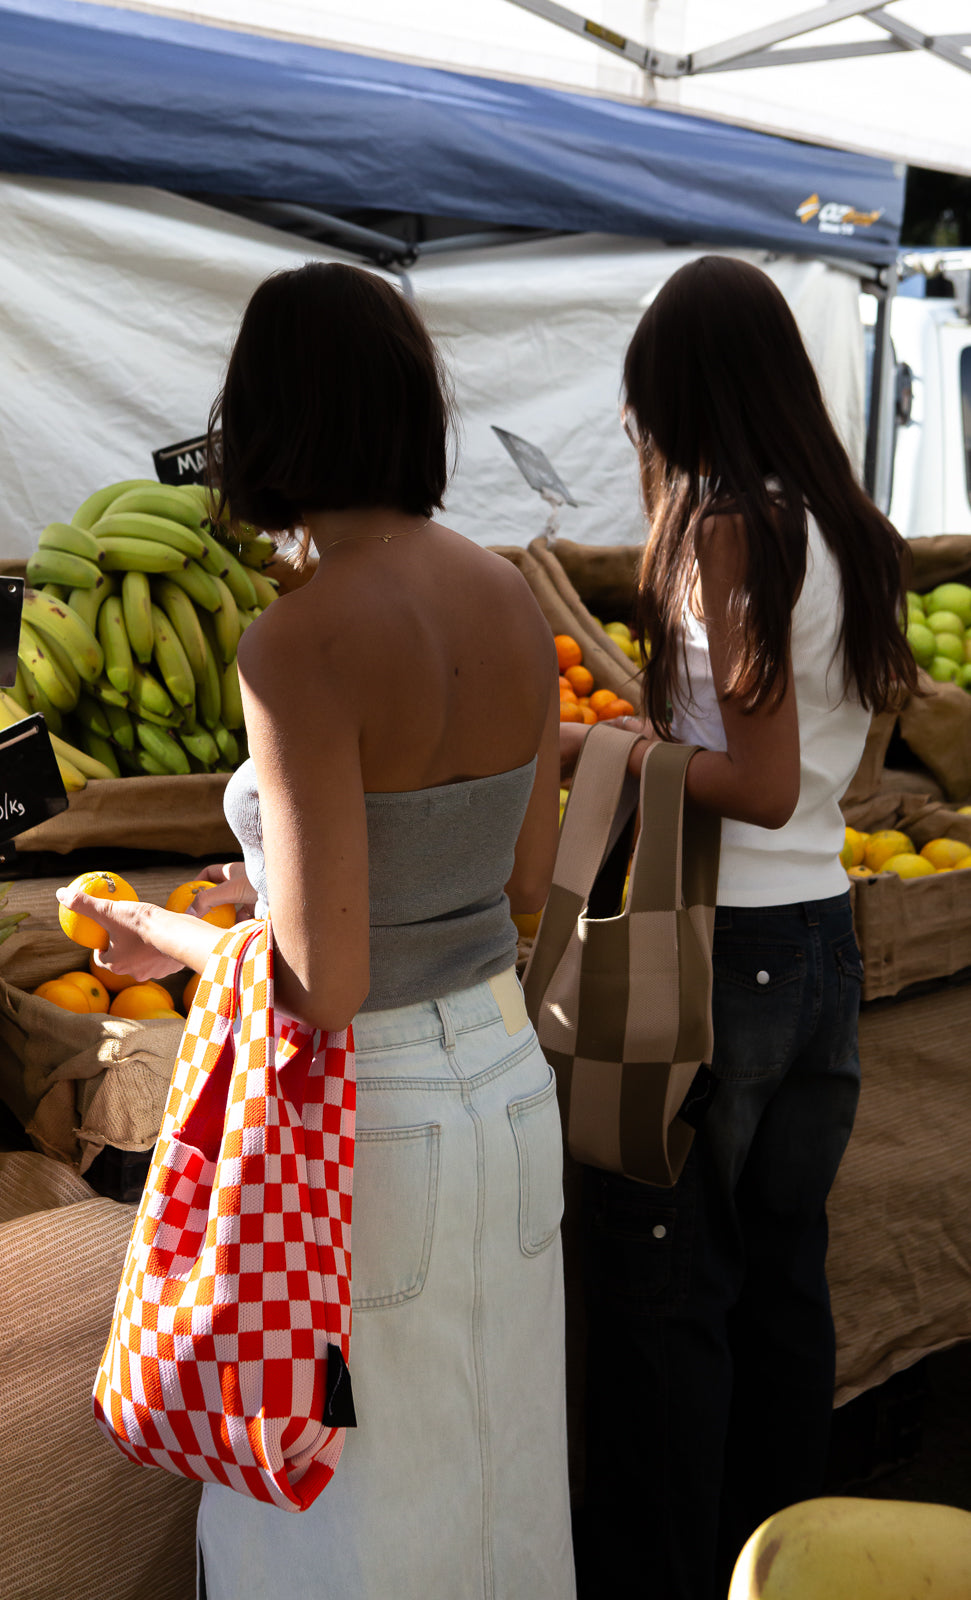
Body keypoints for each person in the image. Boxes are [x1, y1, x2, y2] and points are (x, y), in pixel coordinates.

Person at [57, 261, 575, 1600]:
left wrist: (165, 931)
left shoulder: (299, 641)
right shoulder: (515, 598)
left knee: (346, 1533)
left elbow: (324, 983)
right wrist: (276, 898)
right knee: (500, 1490)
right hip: (511, 1086)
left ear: (270, 419)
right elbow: (519, 879)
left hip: (370, 1123)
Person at [562, 255, 918, 1600]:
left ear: (683, 394)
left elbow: (754, 784)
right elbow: (806, 774)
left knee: (670, 1309)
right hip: (820, 938)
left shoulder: (729, 529)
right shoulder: (840, 522)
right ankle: (780, 1566)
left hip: (724, 955)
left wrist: (598, 749)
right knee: (780, 1287)